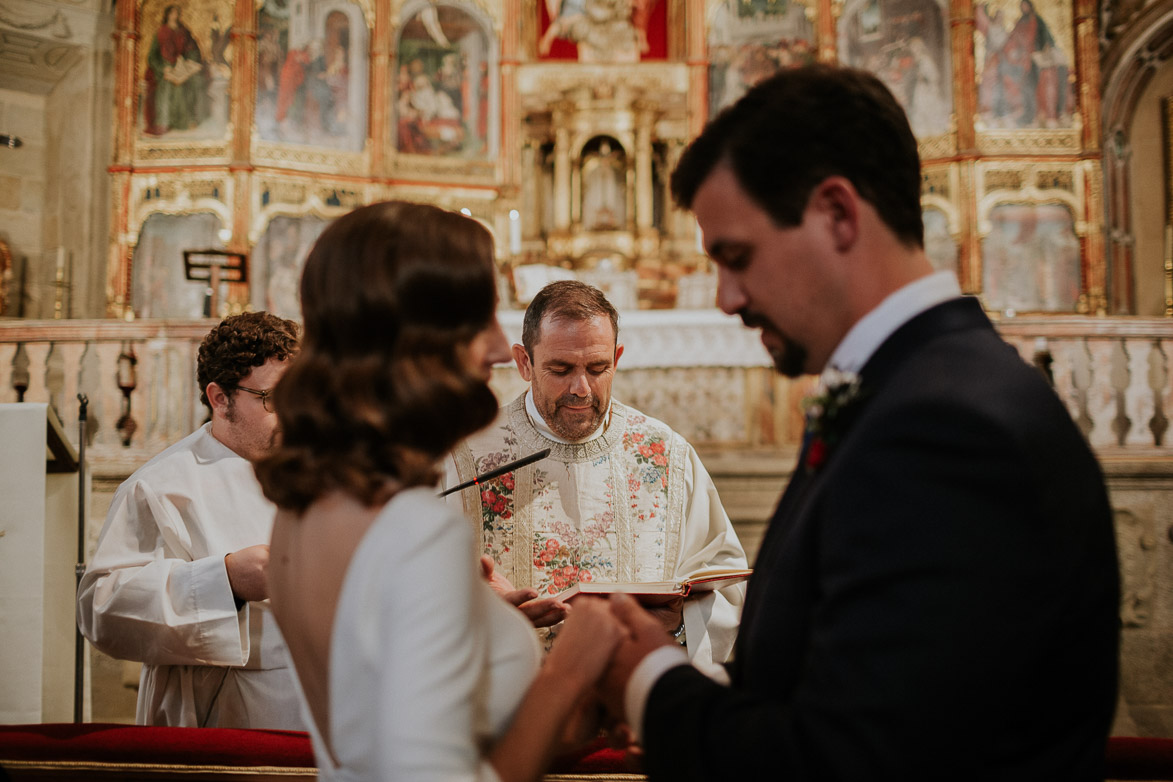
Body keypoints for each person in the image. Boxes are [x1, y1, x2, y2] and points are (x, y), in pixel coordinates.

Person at [597, 64, 1120, 779]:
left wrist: (649, 682)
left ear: (837, 214)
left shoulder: (943, 430)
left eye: (737, 257)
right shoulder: (919, 387)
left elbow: (852, 763)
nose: (724, 298)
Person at [256, 202, 624, 782]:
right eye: (482, 319)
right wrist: (571, 672)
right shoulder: (414, 531)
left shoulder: (305, 506)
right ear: (414, 337)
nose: (503, 349)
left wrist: (468, 622)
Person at [446, 280, 747, 669]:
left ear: (617, 358)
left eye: (598, 368)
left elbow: (725, 584)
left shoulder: (667, 455)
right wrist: (484, 611)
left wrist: (678, 625)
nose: (581, 388)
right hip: (515, 701)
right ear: (524, 363)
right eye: (560, 369)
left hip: (634, 700)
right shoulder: (467, 457)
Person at [77, 311, 302, 729]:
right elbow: (101, 611)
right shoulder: (160, 485)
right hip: (222, 721)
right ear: (220, 398)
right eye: (273, 399)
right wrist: (227, 580)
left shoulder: (323, 472)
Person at [143, 5, 209, 136]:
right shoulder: (161, 32)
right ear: (167, 15)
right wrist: (163, 68)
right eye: (173, 13)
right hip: (164, 70)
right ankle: (164, 121)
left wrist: (189, 61)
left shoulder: (183, 31)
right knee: (168, 86)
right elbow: (152, 56)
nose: (176, 16)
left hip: (182, 67)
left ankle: (188, 120)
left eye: (177, 13)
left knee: (195, 81)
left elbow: (192, 49)